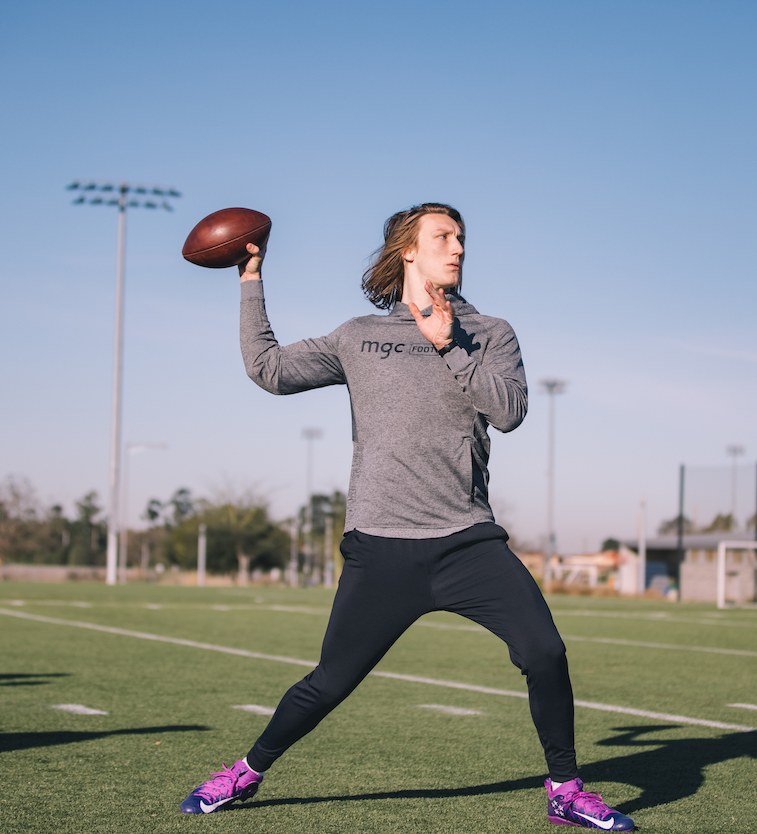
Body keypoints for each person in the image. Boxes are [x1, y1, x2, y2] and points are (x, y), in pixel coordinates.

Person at [180, 203, 634, 831]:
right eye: (443, 237)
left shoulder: (492, 332)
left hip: (467, 542)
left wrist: (450, 346)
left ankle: (565, 789)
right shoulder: (358, 336)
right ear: (408, 252)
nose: (458, 247)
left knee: (545, 653)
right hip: (381, 546)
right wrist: (250, 281)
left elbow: (509, 412)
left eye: (462, 237)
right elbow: (270, 370)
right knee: (329, 683)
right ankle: (246, 772)